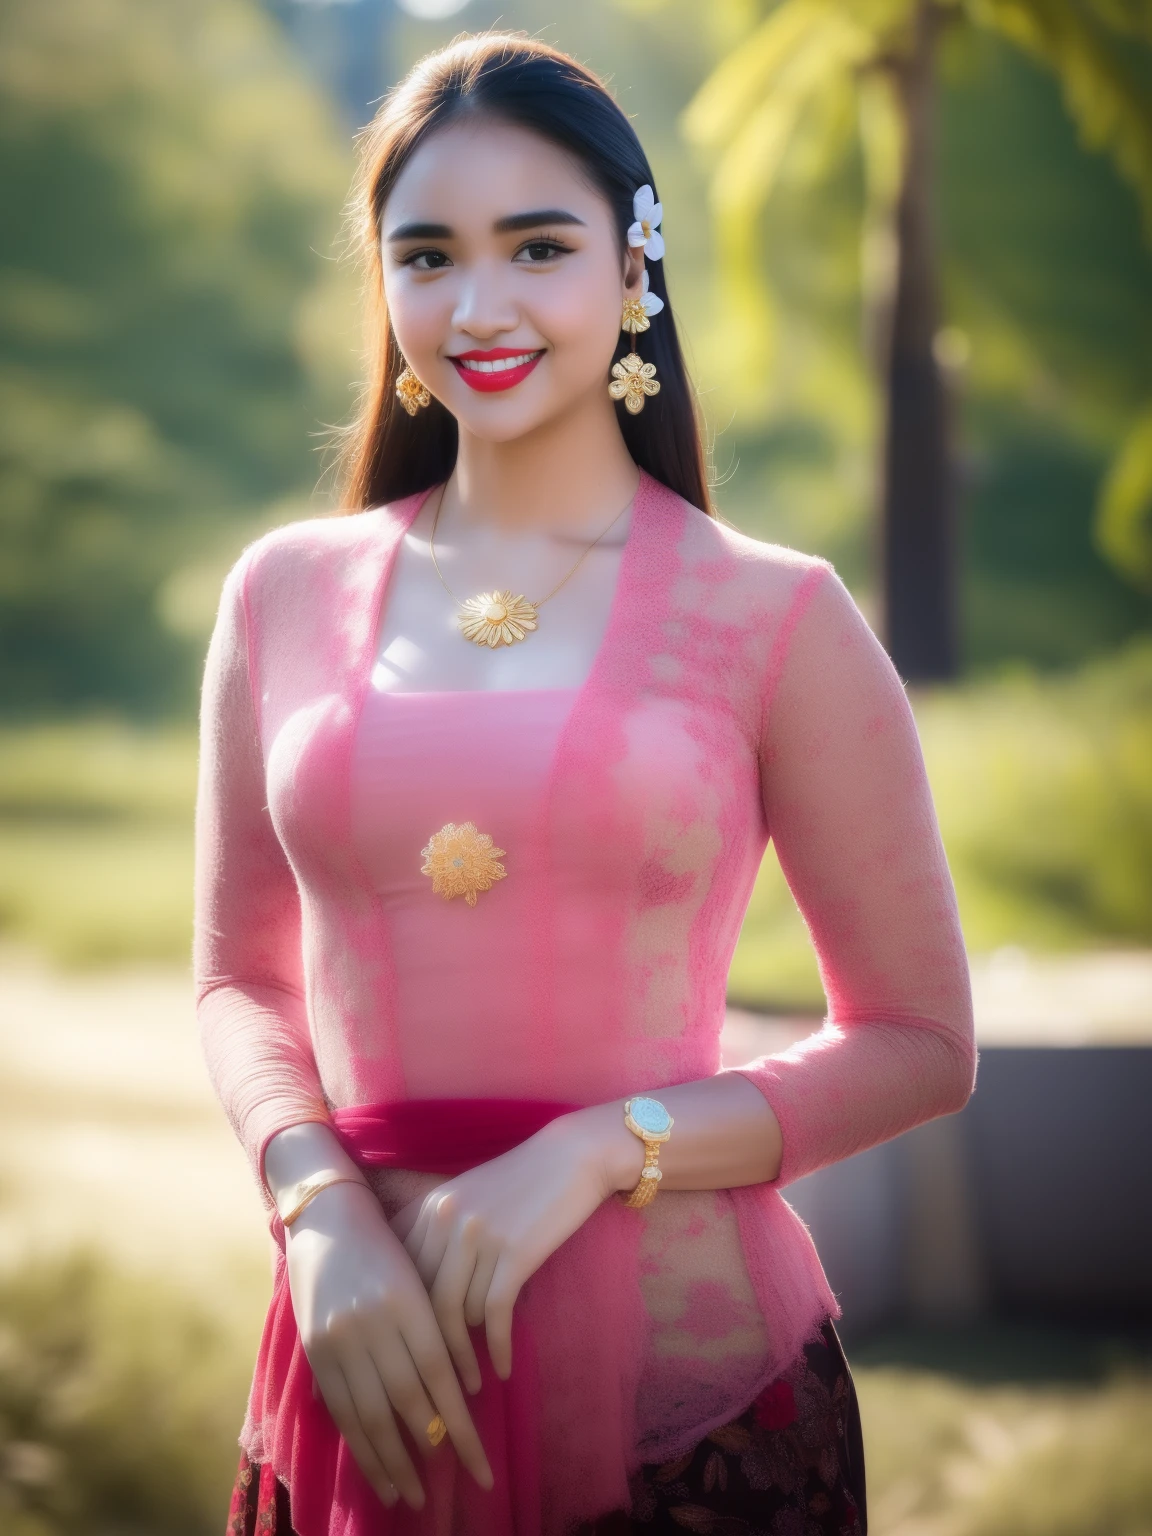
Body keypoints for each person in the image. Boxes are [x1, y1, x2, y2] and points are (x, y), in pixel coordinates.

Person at [197, 32, 976, 1536]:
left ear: (633, 269)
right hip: (365, 1353)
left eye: (537, 247)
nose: (478, 307)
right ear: (385, 284)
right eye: (428, 256)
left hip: (697, 1404)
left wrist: (604, 1147)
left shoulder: (775, 615)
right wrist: (314, 1210)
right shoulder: (282, 593)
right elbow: (240, 978)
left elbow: (921, 1041)